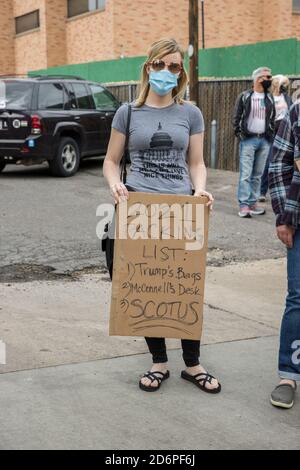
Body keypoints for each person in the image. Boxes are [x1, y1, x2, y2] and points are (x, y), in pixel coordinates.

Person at [103, 38, 221, 394]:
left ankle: (193, 364)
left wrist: (200, 189)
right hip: (137, 208)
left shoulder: (191, 113)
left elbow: (196, 163)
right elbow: (111, 161)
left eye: (173, 66)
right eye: (160, 65)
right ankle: (158, 361)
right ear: (148, 67)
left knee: (184, 285)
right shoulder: (128, 112)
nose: (166, 72)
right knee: (143, 285)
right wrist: (115, 185)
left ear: (180, 72)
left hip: (181, 210)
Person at [269, 102, 300, 409]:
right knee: (298, 297)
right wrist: (283, 217)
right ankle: (288, 375)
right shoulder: (297, 112)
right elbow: (279, 165)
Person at [232, 67, 276, 218]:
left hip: (264, 140)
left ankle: (252, 203)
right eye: (266, 77)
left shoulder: (269, 98)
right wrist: (240, 134)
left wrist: (270, 135)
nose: (269, 79)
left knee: (257, 174)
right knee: (246, 174)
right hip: (248, 140)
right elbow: (236, 117)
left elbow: (273, 118)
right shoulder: (245, 96)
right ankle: (243, 205)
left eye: (270, 77)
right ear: (258, 79)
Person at [259, 75, 293, 202]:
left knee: (284, 162)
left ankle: (285, 191)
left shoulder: (287, 99)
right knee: (269, 162)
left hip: (284, 132)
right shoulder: (268, 98)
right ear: (276, 84)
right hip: (272, 132)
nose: (285, 86)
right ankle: (262, 191)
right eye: (282, 84)